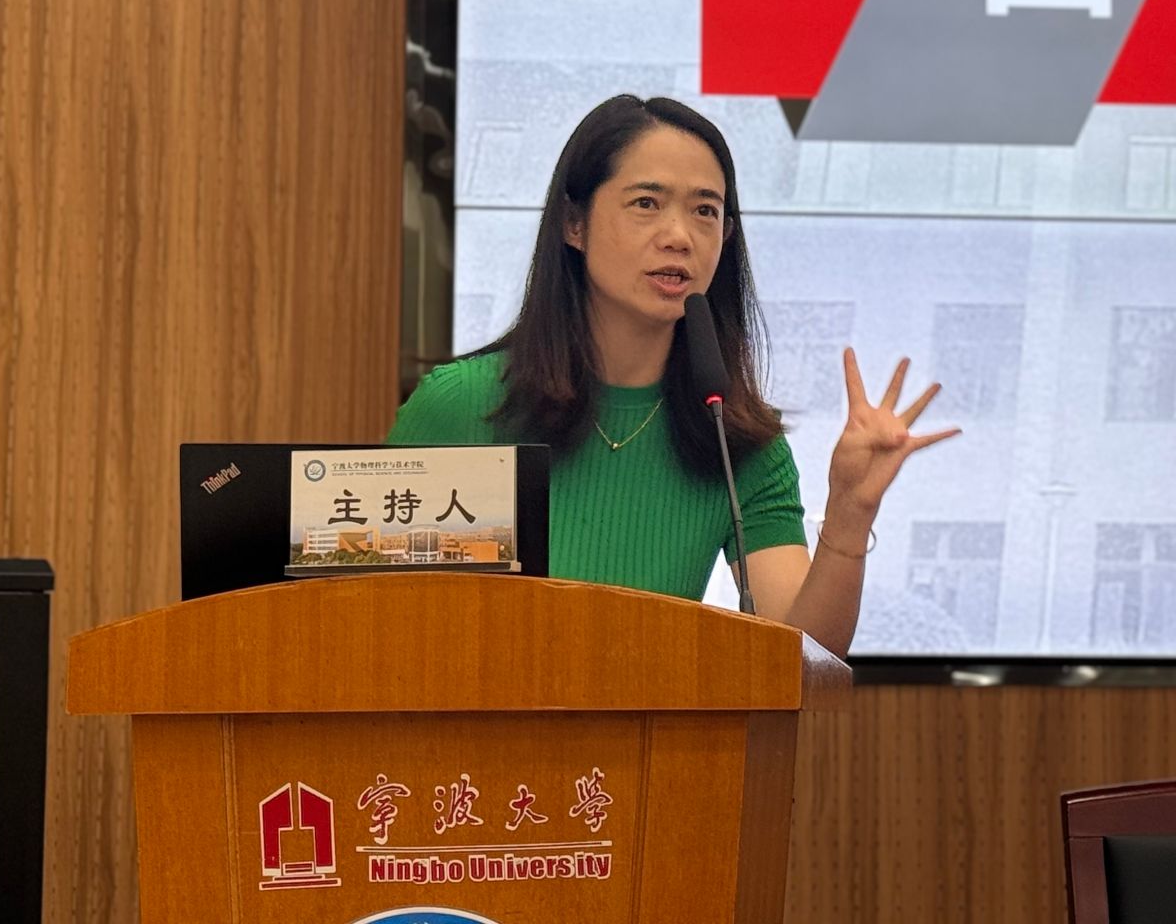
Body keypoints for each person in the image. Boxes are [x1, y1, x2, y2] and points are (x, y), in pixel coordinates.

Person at [389, 93, 958, 657]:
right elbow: (376, 629)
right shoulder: (464, 406)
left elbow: (801, 652)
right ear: (574, 224)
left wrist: (850, 516)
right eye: (646, 203)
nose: (680, 236)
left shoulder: (733, 438)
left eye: (705, 211)